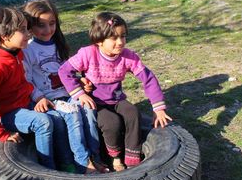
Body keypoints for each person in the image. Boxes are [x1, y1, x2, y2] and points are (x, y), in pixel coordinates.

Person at [59, 12, 172, 171]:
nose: (120, 42)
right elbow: (64, 71)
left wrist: (158, 108)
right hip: (96, 103)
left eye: (123, 36)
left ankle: (132, 156)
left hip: (117, 99)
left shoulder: (128, 57)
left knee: (133, 112)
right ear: (99, 40)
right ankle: (115, 158)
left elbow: (148, 79)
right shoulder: (88, 54)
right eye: (114, 38)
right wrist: (80, 93)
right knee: (112, 123)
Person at [0, 6, 72, 170]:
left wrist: (39, 97)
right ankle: (47, 168)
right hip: (8, 114)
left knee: (56, 117)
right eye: (22, 30)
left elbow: (23, 83)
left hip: (25, 104)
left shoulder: (17, 54)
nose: (29, 33)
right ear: (5, 36)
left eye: (27, 28)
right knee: (43, 122)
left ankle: (66, 162)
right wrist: (1, 134)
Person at [22, 0, 108, 174]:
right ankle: (82, 163)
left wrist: (79, 80)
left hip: (67, 93)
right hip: (47, 99)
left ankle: (95, 157)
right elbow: (26, 80)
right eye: (41, 25)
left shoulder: (58, 44)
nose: (48, 30)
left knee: (89, 109)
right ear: (30, 26)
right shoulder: (28, 50)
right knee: (72, 115)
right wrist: (38, 97)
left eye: (52, 23)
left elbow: (66, 72)